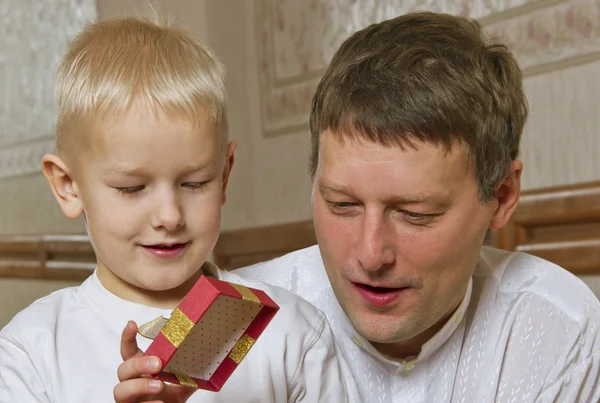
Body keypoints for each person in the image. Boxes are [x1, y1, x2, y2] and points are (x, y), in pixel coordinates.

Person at [237, 11, 600, 403]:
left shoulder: (561, 326)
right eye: (342, 204)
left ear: (502, 196)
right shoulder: (232, 308)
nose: (371, 255)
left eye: (416, 214)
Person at [0, 16, 358, 403]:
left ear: (223, 177)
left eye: (194, 183)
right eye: (132, 188)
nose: (169, 216)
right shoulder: (30, 352)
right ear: (68, 187)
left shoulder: (292, 333)